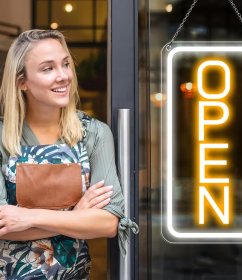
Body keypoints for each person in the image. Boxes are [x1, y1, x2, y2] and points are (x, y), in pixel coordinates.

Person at [0, 29, 138, 279]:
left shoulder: (94, 134)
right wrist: (76, 217)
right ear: (22, 81)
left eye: (65, 64)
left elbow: (107, 223)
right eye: (47, 68)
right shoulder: (2, 138)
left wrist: (29, 217)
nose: (63, 76)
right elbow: (3, 225)